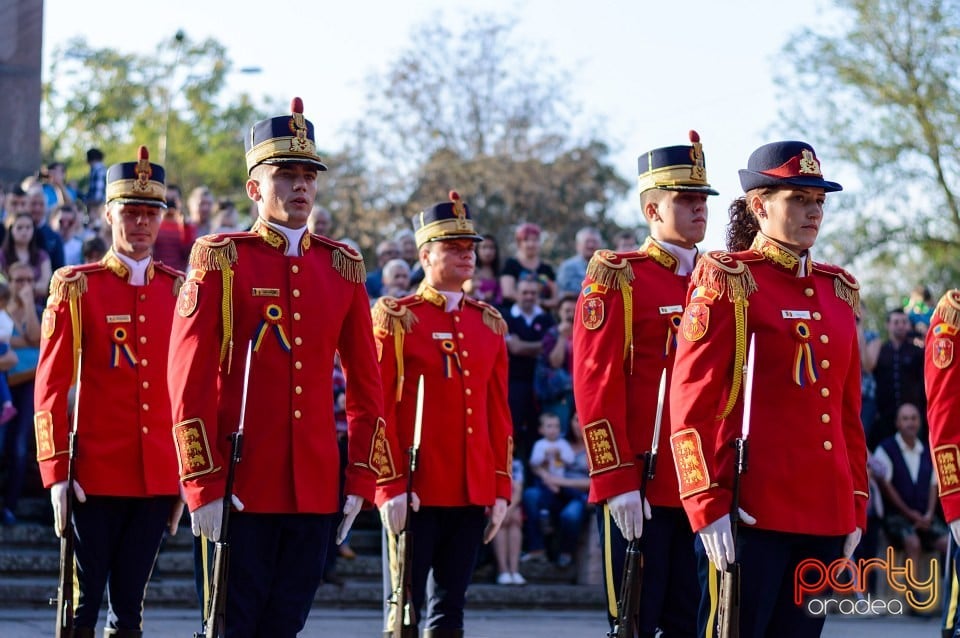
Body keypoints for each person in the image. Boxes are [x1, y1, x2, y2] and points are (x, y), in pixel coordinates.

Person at [167, 98, 387, 637]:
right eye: (285, 175)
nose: (300, 186)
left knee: (285, 626)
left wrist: (361, 474)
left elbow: (366, 384)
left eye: (308, 175)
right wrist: (201, 482)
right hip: (239, 482)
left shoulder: (341, 266)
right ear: (253, 188)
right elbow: (187, 379)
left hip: (313, 486)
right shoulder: (221, 258)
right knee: (228, 628)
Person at [669, 140, 867, 637]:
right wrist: (705, 502)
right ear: (760, 206)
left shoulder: (838, 290)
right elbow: (691, 400)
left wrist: (856, 504)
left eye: (818, 200)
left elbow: (847, 414)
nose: (813, 211)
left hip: (824, 511)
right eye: (798, 199)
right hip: (750, 511)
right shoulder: (730, 279)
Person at [33, 145, 185, 637]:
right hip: (91, 475)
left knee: (130, 612)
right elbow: (51, 387)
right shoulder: (78, 287)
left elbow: (189, 388)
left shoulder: (178, 291)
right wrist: (56, 472)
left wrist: (186, 471)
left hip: (156, 476)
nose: (141, 223)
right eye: (130, 212)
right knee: (80, 609)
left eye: (150, 213)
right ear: (108, 214)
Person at [573, 130, 717, 636]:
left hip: (701, 484)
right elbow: (595, 386)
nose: (700, 208)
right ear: (653, 211)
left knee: (689, 621)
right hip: (640, 480)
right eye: (685, 199)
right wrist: (614, 480)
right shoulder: (619, 278)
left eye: (703, 199)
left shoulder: (721, 281)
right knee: (633, 620)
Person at [374, 190, 512, 637]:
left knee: (450, 611)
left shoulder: (488, 322)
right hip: (416, 485)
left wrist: (501, 485)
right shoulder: (397, 319)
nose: (466, 256)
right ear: (425, 254)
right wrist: (389, 484)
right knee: (405, 613)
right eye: (454, 247)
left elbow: (498, 414)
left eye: (470, 248)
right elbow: (378, 408)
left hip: (471, 488)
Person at [874, 403, 948, 572]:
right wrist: (910, 514)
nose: (910, 423)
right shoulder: (885, 449)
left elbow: (933, 485)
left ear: (920, 422)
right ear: (897, 423)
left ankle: (949, 591)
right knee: (913, 543)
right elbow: (887, 488)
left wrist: (929, 514)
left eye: (914, 418)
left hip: (924, 516)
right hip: (897, 517)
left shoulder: (927, 450)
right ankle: (913, 595)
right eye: (905, 419)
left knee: (948, 541)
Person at [867, 308, 926, 448]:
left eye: (904, 322)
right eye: (896, 322)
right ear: (888, 325)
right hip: (885, 416)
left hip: (913, 416)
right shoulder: (880, 350)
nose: (900, 325)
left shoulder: (917, 351)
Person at [500, 222, 558, 308]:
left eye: (535, 240)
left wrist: (541, 303)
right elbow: (508, 293)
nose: (531, 244)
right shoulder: (511, 264)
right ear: (519, 243)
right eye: (526, 240)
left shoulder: (547, 269)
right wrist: (531, 302)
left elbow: (555, 299)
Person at [0, 211, 53, 300]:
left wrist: (20, 286)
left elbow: (47, 286)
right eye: (19, 227)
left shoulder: (42, 256)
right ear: (10, 229)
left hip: (37, 306)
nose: (24, 231)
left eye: (28, 227)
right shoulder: (1, 255)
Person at [556, 226, 602, 296]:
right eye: (587, 241)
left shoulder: (605, 269)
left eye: (594, 242)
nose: (591, 245)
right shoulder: (567, 267)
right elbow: (563, 293)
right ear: (578, 245)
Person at [471, 233, 503, 308]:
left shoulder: (499, 272)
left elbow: (500, 298)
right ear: (477, 250)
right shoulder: (471, 270)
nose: (488, 252)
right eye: (484, 247)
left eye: (491, 248)